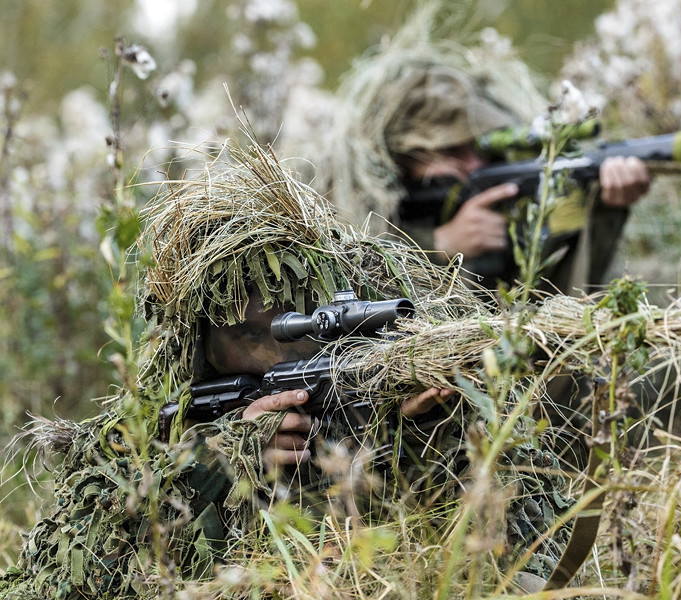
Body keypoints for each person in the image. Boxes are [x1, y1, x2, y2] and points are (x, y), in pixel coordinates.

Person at [0, 142, 572, 598]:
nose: (277, 354)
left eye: (289, 325)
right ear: (199, 348)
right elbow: (106, 563)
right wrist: (232, 463)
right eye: (249, 335)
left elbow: (441, 532)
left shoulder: (371, 348)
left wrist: (415, 435)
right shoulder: (155, 414)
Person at [321, 4, 651, 296]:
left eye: (480, 146)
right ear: (397, 160)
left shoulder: (511, 195)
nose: (474, 163)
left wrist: (605, 209)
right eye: (449, 150)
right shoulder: (343, 202)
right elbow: (343, 281)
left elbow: (555, 306)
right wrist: (437, 245)